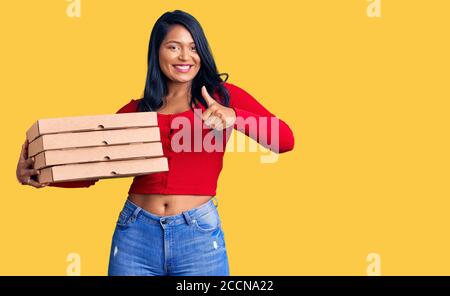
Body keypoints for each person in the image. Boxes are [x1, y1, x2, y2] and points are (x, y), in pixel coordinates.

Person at [16, 10, 295, 276]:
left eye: (193, 47)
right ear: (157, 52)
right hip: (135, 235)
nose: (185, 56)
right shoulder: (136, 110)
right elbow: (94, 170)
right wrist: (42, 175)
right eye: (173, 47)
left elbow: (284, 139)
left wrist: (235, 116)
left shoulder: (223, 96)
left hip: (197, 236)